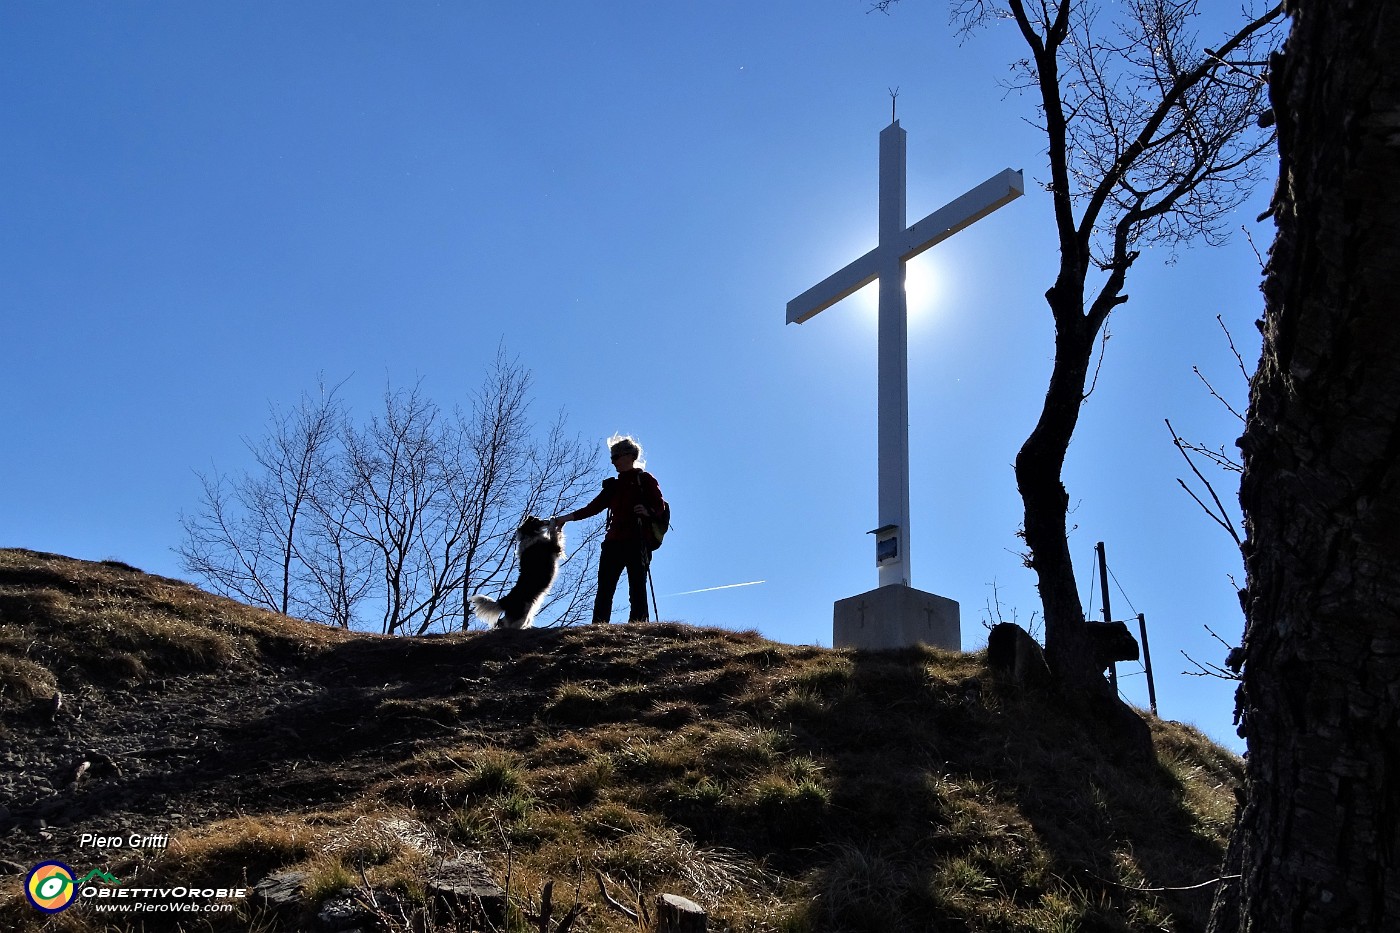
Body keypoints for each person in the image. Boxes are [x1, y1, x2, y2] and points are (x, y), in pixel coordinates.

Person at [553, 435, 665, 624]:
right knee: (606, 588)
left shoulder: (644, 479)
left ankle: (636, 627)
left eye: (616, 456)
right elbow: (593, 507)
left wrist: (647, 511)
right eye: (612, 457)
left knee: (636, 587)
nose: (613, 461)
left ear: (630, 456)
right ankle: (599, 627)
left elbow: (660, 506)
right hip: (614, 542)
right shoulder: (613, 485)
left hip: (638, 540)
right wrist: (565, 519)